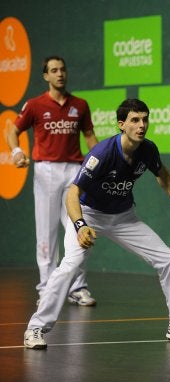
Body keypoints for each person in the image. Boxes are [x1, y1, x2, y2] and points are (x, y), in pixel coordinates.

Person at [23, 98, 170, 349]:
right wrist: (80, 226)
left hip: (124, 217)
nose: (141, 125)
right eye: (135, 120)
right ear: (121, 124)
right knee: (71, 264)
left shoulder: (148, 149)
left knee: (169, 259)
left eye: (145, 119)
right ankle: (35, 328)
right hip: (89, 215)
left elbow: (162, 174)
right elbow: (72, 193)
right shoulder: (102, 153)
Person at [7, 56, 98, 306]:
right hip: (46, 170)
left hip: (75, 172)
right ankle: (47, 289)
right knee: (46, 234)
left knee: (79, 228)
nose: (60, 74)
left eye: (62, 70)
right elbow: (12, 131)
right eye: (54, 70)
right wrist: (16, 152)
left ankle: (77, 288)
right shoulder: (35, 105)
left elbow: (89, 135)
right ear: (46, 76)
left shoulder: (79, 105)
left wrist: (99, 163)